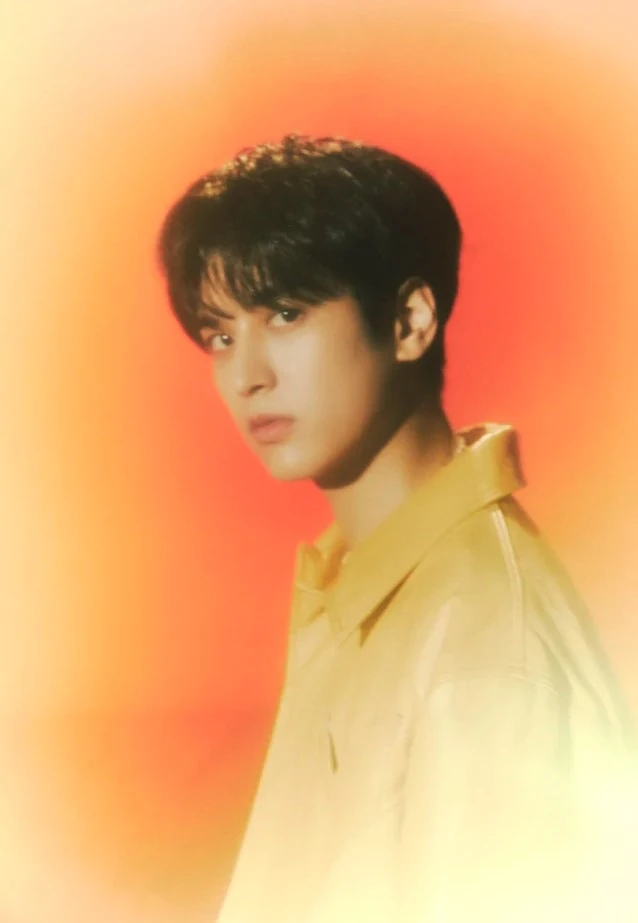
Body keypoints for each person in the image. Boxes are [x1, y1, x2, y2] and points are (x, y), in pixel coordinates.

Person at [156, 134, 637, 923]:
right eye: (221, 334)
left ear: (411, 320)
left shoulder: (483, 649)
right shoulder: (361, 584)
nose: (247, 375)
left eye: (286, 313)